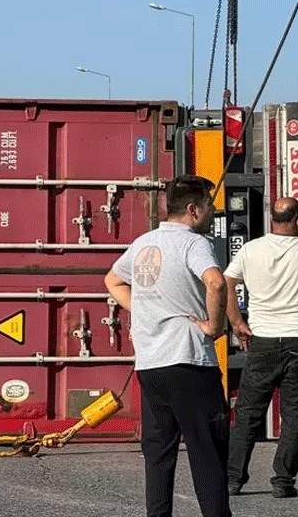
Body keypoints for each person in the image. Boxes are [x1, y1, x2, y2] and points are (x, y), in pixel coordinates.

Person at [104, 175, 230, 517]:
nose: (213, 211)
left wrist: (145, 308)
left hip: (151, 364)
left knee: (159, 455)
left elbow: (112, 280)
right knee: (208, 454)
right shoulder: (193, 243)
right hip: (189, 361)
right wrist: (215, 327)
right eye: (209, 205)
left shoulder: (144, 243)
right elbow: (216, 283)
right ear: (192, 209)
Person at [225, 197, 298, 498]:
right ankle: (283, 482)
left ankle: (234, 479)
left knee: (247, 413)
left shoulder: (250, 250)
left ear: (272, 219)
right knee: (294, 415)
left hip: (262, 341)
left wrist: (236, 322)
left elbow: (227, 283)